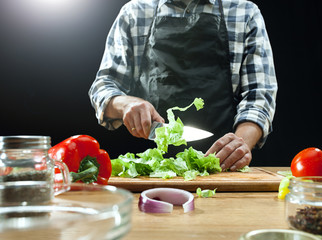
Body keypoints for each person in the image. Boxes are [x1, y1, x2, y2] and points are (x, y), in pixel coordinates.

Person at [89, 0, 278, 171]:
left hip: (221, 169)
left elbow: (259, 95)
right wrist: (126, 105)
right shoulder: (134, 13)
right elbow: (103, 86)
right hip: (147, 172)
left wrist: (238, 144)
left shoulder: (244, 13)